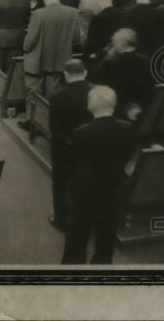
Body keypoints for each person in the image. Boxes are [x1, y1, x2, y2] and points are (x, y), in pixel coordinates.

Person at [61, 85, 137, 264]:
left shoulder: (81, 133)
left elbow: (70, 162)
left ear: (93, 105)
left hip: (84, 196)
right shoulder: (127, 128)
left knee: (76, 245)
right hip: (112, 194)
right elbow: (127, 156)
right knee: (105, 246)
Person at [21, 0, 84, 124]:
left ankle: (31, 122)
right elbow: (76, 39)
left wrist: (25, 48)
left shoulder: (38, 13)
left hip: (37, 60)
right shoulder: (73, 12)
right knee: (53, 95)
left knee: (34, 93)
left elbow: (31, 39)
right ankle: (49, 123)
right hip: (60, 60)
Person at [48, 59, 92, 230]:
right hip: (88, 147)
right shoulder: (95, 92)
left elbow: (54, 128)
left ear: (65, 75)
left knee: (61, 184)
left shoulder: (57, 96)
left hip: (64, 147)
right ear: (85, 73)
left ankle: (61, 219)